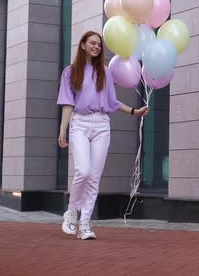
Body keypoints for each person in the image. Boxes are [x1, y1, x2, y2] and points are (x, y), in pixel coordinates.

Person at [57, 31, 148, 240]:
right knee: (83, 170)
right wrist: (63, 129)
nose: (96, 47)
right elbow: (68, 103)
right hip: (79, 122)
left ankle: (85, 223)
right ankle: (72, 212)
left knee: (95, 176)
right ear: (82, 45)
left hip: (101, 124)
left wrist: (134, 111)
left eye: (99, 44)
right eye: (92, 43)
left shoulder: (105, 72)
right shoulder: (70, 72)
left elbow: (113, 102)